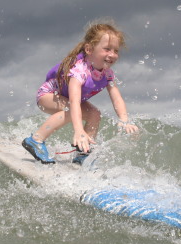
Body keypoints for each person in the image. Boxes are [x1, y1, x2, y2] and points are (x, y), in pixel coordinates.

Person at [22, 20, 139, 164]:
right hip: (48, 96)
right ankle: (35, 140)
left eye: (116, 50)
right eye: (107, 49)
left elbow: (116, 98)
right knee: (72, 108)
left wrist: (124, 120)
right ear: (89, 49)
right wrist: (79, 131)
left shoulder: (107, 74)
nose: (113, 54)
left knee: (95, 114)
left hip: (65, 100)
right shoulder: (79, 71)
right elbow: (74, 102)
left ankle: (83, 152)